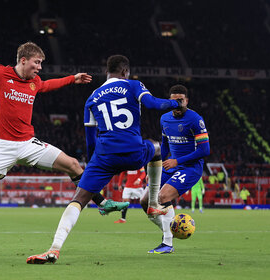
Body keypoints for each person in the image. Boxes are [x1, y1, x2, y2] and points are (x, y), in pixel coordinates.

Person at [0, 27, 128, 255]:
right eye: (37, 63)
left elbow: (49, 84)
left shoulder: (35, 82)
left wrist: (73, 79)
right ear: (23, 60)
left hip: (28, 144)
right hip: (2, 147)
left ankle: (102, 204)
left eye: (41, 64)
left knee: (72, 164)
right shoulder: (0, 73)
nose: (39, 68)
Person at [26, 55, 181, 264]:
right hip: (133, 152)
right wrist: (175, 103)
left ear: (107, 72)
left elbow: (90, 138)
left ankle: (54, 248)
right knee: (156, 149)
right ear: (125, 71)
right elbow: (153, 104)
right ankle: (153, 202)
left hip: (104, 156)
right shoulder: (133, 85)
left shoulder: (93, 96)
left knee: (78, 199)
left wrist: (93, 166)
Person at [140, 84, 210, 254]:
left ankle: (167, 242)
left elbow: (204, 150)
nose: (178, 104)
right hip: (170, 165)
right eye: (174, 101)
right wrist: (155, 170)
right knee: (145, 201)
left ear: (187, 100)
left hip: (190, 168)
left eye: (181, 101)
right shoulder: (164, 119)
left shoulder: (195, 119)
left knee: (163, 196)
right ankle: (169, 230)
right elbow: (164, 145)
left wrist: (177, 161)